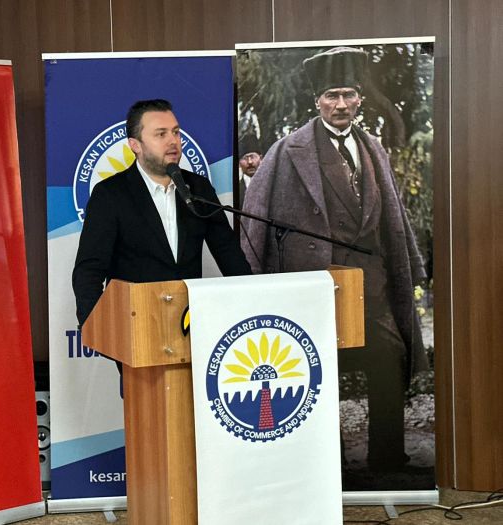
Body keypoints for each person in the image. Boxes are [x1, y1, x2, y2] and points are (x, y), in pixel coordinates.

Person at [241, 47, 427, 472]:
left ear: (359, 98)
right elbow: (256, 216)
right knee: (318, 368)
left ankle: (388, 459)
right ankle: (328, 463)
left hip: (372, 285)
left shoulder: (373, 147)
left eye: (348, 94)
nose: (340, 104)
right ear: (317, 101)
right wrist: (253, 280)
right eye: (331, 96)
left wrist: (406, 265)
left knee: (390, 357)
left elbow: (393, 215)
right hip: (315, 285)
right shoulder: (287, 151)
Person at [73, 99, 251, 344]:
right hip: (135, 327)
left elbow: (228, 251)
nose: (173, 141)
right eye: (161, 134)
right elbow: (89, 269)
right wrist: (97, 328)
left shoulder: (197, 188)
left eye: (176, 132)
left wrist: (252, 305)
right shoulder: (110, 194)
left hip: (191, 324)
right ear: (135, 145)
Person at [238, 134, 263, 207]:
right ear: (239, 163)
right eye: (245, 158)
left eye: (252, 157)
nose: (250, 162)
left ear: (261, 158)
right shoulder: (237, 190)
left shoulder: (271, 185)